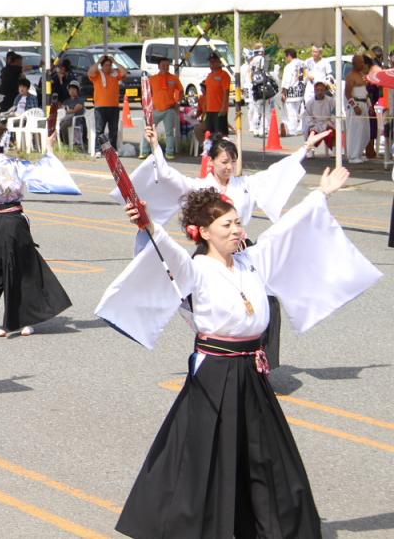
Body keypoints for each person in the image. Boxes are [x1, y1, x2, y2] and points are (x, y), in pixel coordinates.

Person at [96, 169, 380, 539]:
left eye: (238, 223)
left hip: (252, 372)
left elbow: (286, 230)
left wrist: (321, 195)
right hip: (215, 374)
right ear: (203, 231)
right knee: (207, 458)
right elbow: (164, 248)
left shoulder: (251, 260)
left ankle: (274, 529)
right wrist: (147, 222)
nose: (236, 230)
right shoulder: (195, 270)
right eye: (227, 225)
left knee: (266, 456)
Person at [122, 126, 330, 367]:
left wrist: (305, 147)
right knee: (210, 306)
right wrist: (155, 146)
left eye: (233, 161)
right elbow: (168, 176)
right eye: (223, 161)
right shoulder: (200, 187)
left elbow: (277, 173)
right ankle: (212, 353)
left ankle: (261, 360)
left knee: (266, 302)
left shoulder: (245, 185)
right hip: (212, 253)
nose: (229, 167)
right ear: (210, 162)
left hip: (242, 251)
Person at [0, 124, 76, 337]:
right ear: (6, 142)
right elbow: (44, 171)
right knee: (22, 269)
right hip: (13, 220)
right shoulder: (18, 164)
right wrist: (48, 148)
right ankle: (14, 318)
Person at [139, 57, 182, 159]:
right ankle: (144, 151)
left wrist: (178, 102)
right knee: (149, 130)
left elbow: (180, 90)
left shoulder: (174, 78)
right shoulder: (152, 79)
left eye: (167, 65)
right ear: (158, 66)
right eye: (163, 65)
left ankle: (169, 152)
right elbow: (146, 93)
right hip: (155, 109)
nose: (165, 67)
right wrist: (147, 107)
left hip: (169, 109)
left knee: (169, 132)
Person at [88, 55, 126, 149]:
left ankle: (113, 149)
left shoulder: (115, 74)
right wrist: (98, 62)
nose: (108, 67)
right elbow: (90, 72)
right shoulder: (97, 74)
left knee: (113, 130)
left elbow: (124, 72)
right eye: (106, 65)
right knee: (99, 130)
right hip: (100, 106)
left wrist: (115, 62)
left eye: (109, 65)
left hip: (114, 106)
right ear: (102, 66)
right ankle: (98, 149)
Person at [344, 54, 370, 164]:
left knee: (365, 132)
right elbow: (347, 93)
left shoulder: (361, 75)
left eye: (363, 62)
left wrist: (370, 106)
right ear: (354, 63)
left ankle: (359, 153)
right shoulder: (350, 76)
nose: (363, 64)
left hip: (364, 104)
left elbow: (365, 92)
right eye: (361, 62)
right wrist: (355, 106)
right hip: (356, 105)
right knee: (355, 131)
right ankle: (353, 156)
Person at [303, 81, 336, 158]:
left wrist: (331, 122)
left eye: (321, 90)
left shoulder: (331, 101)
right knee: (311, 133)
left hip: (327, 123)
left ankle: (334, 151)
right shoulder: (310, 102)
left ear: (325, 90)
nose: (320, 92)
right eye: (318, 90)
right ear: (314, 91)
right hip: (315, 124)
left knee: (333, 133)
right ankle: (310, 151)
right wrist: (312, 125)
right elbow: (307, 116)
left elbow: (334, 113)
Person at [203, 54, 231, 136]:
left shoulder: (224, 75)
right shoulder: (209, 76)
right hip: (209, 109)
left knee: (220, 133)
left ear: (219, 62)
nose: (211, 64)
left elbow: (226, 92)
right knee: (210, 133)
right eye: (210, 62)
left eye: (214, 61)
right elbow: (207, 92)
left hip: (219, 109)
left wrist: (223, 108)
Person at [280, 48, 305, 136]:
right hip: (300, 90)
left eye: (286, 57)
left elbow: (286, 80)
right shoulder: (302, 64)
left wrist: (284, 92)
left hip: (291, 91)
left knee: (291, 111)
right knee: (298, 110)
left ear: (289, 56)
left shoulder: (289, 66)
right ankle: (300, 127)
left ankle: (292, 129)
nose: (286, 59)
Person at [58, 82, 86, 148]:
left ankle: (66, 144)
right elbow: (62, 109)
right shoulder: (66, 101)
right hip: (65, 118)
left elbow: (75, 110)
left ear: (77, 90)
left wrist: (67, 110)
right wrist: (66, 110)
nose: (72, 91)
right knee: (59, 122)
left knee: (63, 124)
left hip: (75, 120)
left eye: (74, 89)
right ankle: (59, 142)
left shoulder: (80, 100)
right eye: (70, 89)